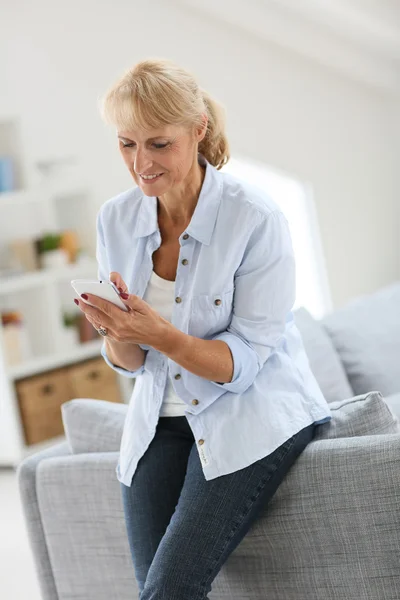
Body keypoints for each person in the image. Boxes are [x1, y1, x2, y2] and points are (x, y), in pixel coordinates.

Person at [74, 58, 332, 600]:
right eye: (126, 144)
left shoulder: (256, 218)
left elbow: (242, 365)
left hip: (250, 414)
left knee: (169, 590)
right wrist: (116, 331)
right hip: (158, 423)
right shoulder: (115, 220)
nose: (140, 163)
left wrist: (159, 334)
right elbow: (131, 364)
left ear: (198, 131)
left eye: (158, 144)